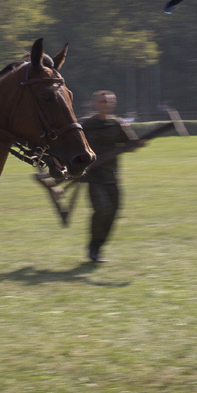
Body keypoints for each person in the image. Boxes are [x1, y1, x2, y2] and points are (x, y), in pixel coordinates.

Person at [82, 90, 143, 263]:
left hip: (112, 177)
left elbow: (131, 144)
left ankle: (97, 247)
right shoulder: (86, 125)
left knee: (113, 212)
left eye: (109, 102)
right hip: (94, 177)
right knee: (102, 209)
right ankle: (93, 248)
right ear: (95, 104)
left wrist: (137, 144)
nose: (106, 104)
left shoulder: (118, 124)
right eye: (103, 101)